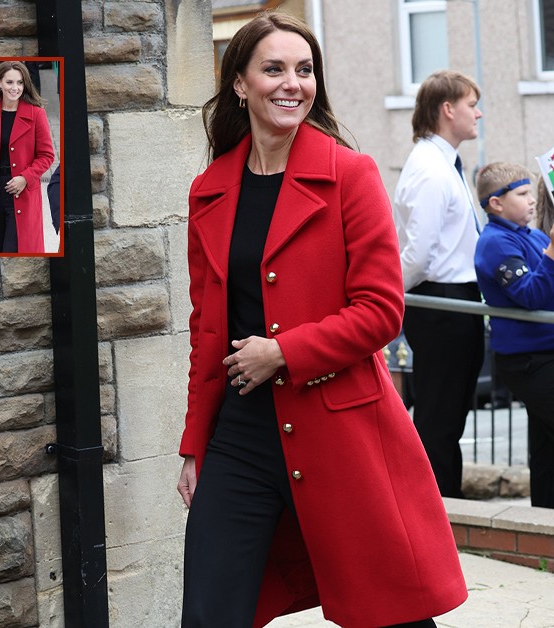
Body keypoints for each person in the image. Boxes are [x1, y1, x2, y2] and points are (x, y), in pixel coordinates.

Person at [175, 12, 466, 627]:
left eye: (304, 70)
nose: (293, 83)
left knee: (388, 611)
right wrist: (193, 445)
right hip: (242, 433)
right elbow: (207, 329)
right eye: (274, 68)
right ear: (240, 84)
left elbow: (381, 311)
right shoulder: (209, 189)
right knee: (209, 609)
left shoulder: (350, 175)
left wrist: (283, 352)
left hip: (341, 425)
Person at [393, 69, 485, 498]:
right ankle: (438, 511)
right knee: (439, 417)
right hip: (440, 302)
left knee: (450, 417)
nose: (478, 114)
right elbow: (418, 254)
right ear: (447, 110)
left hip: (454, 300)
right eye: (471, 105)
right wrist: (394, 296)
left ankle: (449, 504)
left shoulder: (443, 163)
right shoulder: (431, 169)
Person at [473, 162, 554, 508]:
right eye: (522, 194)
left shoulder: (532, 236)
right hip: (528, 361)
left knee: (546, 445)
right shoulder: (495, 243)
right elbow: (532, 295)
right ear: (496, 203)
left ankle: (543, 523)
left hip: (544, 355)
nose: (531, 201)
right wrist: (551, 254)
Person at [0, 61, 55, 254]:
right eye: (10, 82)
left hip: (21, 190)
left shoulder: (36, 113)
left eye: (20, 83)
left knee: (16, 249)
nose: (15, 88)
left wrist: (26, 177)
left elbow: (47, 155)